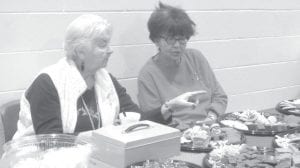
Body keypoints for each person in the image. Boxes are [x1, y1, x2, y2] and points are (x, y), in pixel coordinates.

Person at [13, 14, 205, 139]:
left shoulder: (105, 79)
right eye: (103, 44)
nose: (110, 51)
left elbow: (136, 118)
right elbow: (50, 142)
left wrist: (169, 106)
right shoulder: (48, 83)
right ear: (80, 51)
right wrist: (106, 136)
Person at [138, 2, 228, 129]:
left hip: (210, 126)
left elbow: (220, 96)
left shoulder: (196, 58)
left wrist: (211, 118)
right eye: (170, 39)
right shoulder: (148, 74)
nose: (177, 45)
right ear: (156, 40)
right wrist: (192, 130)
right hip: (176, 134)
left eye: (182, 39)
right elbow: (153, 119)